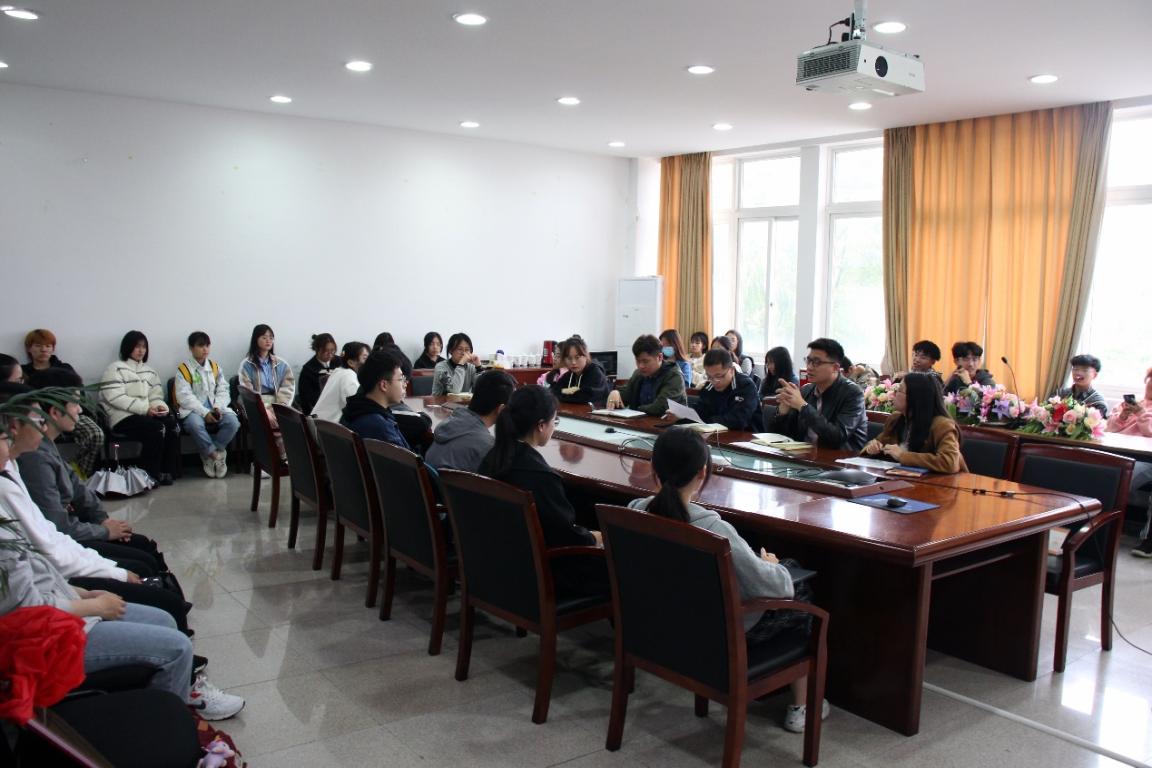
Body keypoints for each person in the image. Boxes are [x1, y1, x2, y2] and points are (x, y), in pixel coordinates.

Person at [627, 428, 828, 733]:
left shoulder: (635, 512)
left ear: (653, 468)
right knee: (797, 584)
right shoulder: (714, 530)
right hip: (714, 640)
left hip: (661, 632)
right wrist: (772, 566)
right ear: (702, 472)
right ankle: (802, 705)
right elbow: (775, 587)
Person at [0, 512, 244, 720]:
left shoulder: (7, 488)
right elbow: (27, 609)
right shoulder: (5, 501)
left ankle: (174, 698)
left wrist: (83, 593)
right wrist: (95, 605)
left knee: (165, 619)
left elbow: (43, 567)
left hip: (66, 605)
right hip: (44, 638)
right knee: (178, 647)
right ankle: (164, 726)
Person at [0, 383, 192, 633]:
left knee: (144, 552)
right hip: (59, 594)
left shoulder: (22, 461)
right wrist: (106, 569)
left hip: (63, 577)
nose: (80, 410)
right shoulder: (27, 464)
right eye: (75, 404)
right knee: (148, 576)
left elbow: (75, 497)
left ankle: (167, 603)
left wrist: (102, 520)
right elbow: (50, 548)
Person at [477, 386, 608, 598]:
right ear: (540, 425)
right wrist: (595, 538)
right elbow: (566, 537)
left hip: (498, 564)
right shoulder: (540, 476)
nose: (554, 426)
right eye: (554, 420)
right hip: (542, 576)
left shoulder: (492, 458)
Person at [20, 329, 105, 478]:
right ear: (29, 348)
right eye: (38, 346)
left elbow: (80, 394)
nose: (43, 350)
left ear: (53, 348)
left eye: (48, 346)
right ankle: (52, 473)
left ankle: (77, 473)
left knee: (95, 434)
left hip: (69, 411)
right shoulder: (23, 372)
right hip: (40, 416)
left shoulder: (65, 369)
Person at [100, 330, 180, 485]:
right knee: (156, 428)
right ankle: (148, 475)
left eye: (144, 347)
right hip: (121, 416)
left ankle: (166, 471)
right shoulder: (115, 368)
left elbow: (155, 396)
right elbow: (115, 397)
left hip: (146, 414)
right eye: (137, 346)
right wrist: (145, 409)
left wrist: (159, 407)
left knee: (172, 425)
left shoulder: (150, 372)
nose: (141, 350)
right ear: (127, 347)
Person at [768, 338, 868, 451]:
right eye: (808, 361)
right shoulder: (806, 391)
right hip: (804, 457)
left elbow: (838, 436)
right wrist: (782, 413)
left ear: (835, 368)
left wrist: (803, 406)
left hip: (840, 459)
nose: (809, 367)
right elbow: (781, 437)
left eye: (816, 362)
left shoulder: (853, 394)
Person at [861, 373, 968, 473]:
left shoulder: (942, 425)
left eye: (899, 390)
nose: (893, 394)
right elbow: (878, 442)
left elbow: (949, 462)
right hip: (904, 480)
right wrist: (872, 448)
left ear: (915, 397)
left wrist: (903, 456)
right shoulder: (896, 419)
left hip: (942, 483)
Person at [174, 331, 240, 478]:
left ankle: (211, 452)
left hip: (215, 407)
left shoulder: (215, 367)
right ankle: (214, 456)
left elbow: (223, 389)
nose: (205, 349)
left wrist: (218, 406)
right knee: (194, 425)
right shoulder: (184, 370)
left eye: (207, 345)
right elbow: (185, 397)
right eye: (200, 345)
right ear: (191, 348)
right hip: (193, 410)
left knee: (233, 422)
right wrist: (205, 413)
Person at [426, 369, 516, 472]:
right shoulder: (487, 445)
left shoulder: (448, 422)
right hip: (451, 482)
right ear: (501, 409)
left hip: (431, 481)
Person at [1105, 366, 1152, 557]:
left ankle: (1108, 527)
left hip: (1145, 459)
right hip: (1118, 452)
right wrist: (1123, 415)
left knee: (1123, 479)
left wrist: (1141, 413)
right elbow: (1109, 429)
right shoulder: (1131, 403)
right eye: (1150, 380)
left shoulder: (1141, 409)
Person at [341, 350, 410, 449]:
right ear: (384, 385)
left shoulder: (355, 409)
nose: (405, 384)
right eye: (400, 379)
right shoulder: (380, 426)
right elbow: (405, 458)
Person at [606, 335, 687, 416]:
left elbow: (660, 408)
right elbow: (626, 395)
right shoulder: (638, 374)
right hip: (641, 421)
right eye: (638, 361)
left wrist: (634, 410)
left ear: (660, 357)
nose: (641, 366)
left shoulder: (674, 376)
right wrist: (615, 393)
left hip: (668, 423)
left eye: (645, 361)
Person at [238, 324, 295, 434]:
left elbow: (288, 387)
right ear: (256, 340)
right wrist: (263, 409)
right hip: (256, 403)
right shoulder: (246, 365)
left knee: (294, 421)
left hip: (278, 401)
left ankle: (277, 444)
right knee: (268, 420)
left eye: (271, 338)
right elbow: (248, 392)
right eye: (264, 337)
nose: (268, 340)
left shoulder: (282, 364)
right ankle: (277, 445)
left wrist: (279, 406)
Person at [696, 349, 764, 431]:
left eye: (719, 376)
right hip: (715, 434)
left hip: (748, 435)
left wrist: (708, 421)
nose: (714, 381)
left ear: (732, 370)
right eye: (709, 376)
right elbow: (700, 412)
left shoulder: (746, 386)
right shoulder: (709, 387)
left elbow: (739, 419)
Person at [311, 341, 370, 423]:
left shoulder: (339, 371)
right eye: (365, 358)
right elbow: (357, 407)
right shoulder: (348, 376)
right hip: (326, 427)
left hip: (317, 423)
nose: (370, 363)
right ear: (351, 362)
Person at [547, 336, 612, 405]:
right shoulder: (570, 374)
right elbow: (553, 391)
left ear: (586, 356)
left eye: (577, 357)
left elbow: (586, 396)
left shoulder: (595, 372)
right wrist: (569, 391)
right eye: (569, 358)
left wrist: (565, 391)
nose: (573, 362)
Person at [1055, 354, 1109, 418]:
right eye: (1075, 369)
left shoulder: (1098, 402)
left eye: (1085, 370)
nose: (1078, 373)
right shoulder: (1060, 393)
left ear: (1095, 375)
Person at [297, 332, 338, 415]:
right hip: (320, 410)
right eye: (326, 351)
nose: (330, 354)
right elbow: (306, 397)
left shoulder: (339, 362)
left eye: (332, 350)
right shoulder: (308, 369)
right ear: (317, 350)